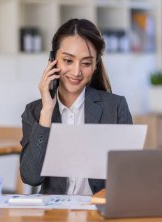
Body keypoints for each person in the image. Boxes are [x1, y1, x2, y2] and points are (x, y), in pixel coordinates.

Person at [20, 18, 132, 195]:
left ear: (95, 65)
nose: (76, 72)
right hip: (54, 216)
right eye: (68, 60)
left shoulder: (115, 107)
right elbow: (31, 177)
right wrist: (47, 112)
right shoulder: (34, 112)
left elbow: (128, 175)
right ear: (53, 60)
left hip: (98, 213)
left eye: (86, 63)